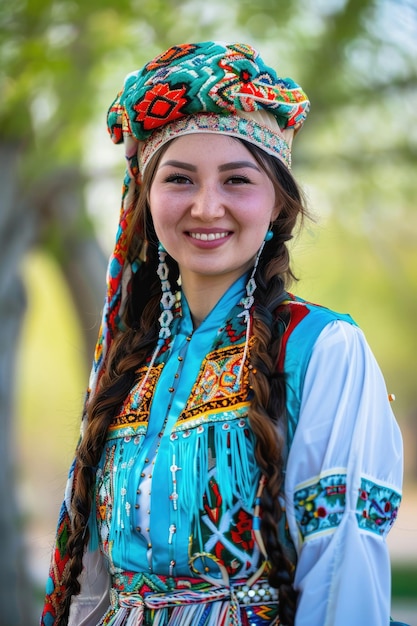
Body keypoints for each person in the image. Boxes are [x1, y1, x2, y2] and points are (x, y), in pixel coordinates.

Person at [40, 41, 403, 626]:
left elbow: (343, 566)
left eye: (237, 180)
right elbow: (94, 585)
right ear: (147, 199)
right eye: (179, 179)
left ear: (279, 204)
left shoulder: (323, 349)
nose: (206, 207)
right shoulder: (127, 362)